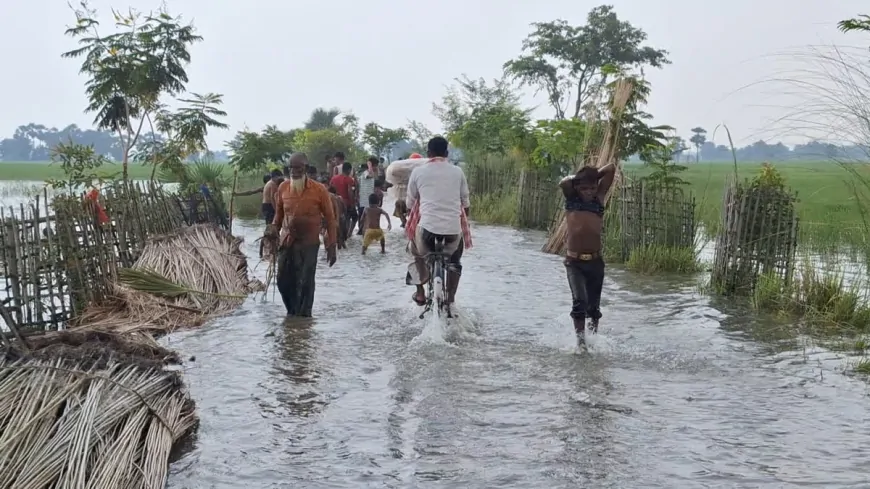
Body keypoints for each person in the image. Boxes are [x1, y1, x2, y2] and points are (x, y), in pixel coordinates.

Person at [268, 153, 338, 317]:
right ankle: (292, 313)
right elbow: (278, 216)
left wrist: (332, 245)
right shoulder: (283, 188)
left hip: (309, 243)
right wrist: (271, 231)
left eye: (298, 168)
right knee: (282, 280)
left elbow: (330, 218)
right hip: (287, 241)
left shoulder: (319, 190)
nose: (294, 172)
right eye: (291, 168)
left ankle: (304, 317)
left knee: (306, 281)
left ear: (305, 168)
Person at [406, 136, 471, 307]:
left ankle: (420, 293)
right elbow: (466, 205)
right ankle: (450, 299)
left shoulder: (418, 172)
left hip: (426, 232)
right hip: (452, 232)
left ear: (428, 153)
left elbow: (409, 204)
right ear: (447, 153)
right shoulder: (458, 172)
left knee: (414, 249)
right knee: (455, 261)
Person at [559, 163, 616, 343]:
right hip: (574, 263)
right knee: (580, 301)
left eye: (592, 188)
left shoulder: (598, 199)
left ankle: (593, 342)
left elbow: (611, 168)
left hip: (595, 262)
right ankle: (580, 343)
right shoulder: (572, 200)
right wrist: (581, 178)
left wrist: (593, 176)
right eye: (584, 188)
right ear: (577, 187)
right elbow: (564, 182)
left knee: (593, 307)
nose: (589, 192)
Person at [329, 162, 358, 239]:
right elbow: (350, 192)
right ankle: (348, 234)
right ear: (349, 170)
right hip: (346, 203)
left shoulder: (333, 178)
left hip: (335, 202)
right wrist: (352, 203)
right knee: (354, 217)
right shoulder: (349, 179)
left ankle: (339, 235)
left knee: (339, 219)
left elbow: (330, 189)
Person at [356, 156, 381, 235]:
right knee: (363, 218)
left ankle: (363, 232)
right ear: (373, 165)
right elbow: (370, 174)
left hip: (366, 199)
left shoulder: (369, 173)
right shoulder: (366, 172)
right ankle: (361, 232)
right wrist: (369, 165)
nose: (377, 168)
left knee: (366, 218)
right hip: (364, 200)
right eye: (376, 166)